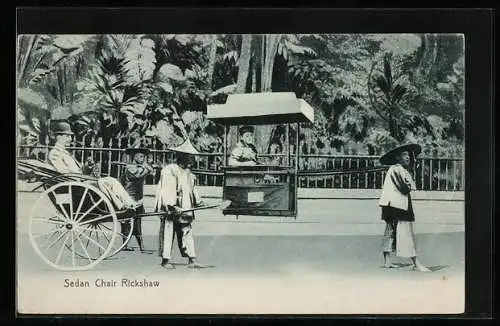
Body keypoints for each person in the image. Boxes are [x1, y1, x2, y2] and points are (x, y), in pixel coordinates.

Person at [47, 120, 140, 213]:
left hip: (79, 182)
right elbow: (65, 174)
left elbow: (79, 172)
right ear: (58, 137)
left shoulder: (66, 152)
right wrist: (81, 176)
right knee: (102, 182)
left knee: (111, 180)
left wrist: (88, 166)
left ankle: (130, 203)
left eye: (70, 136)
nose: (70, 139)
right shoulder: (55, 154)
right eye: (67, 136)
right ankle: (120, 207)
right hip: (73, 186)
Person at [154, 139, 207, 269]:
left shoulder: (190, 174)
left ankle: (192, 259)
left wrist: (199, 202)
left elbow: (192, 189)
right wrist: (172, 205)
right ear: (181, 157)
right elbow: (167, 189)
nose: (191, 160)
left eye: (192, 157)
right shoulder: (170, 170)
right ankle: (165, 260)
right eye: (189, 157)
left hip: (185, 208)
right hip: (171, 207)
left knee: (187, 230)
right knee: (168, 231)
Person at [378, 143, 431, 272]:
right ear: (398, 158)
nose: (408, 158)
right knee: (405, 233)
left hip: (397, 204)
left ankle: (387, 261)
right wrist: (408, 180)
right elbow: (404, 188)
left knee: (391, 232)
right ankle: (416, 263)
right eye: (405, 155)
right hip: (396, 206)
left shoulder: (402, 170)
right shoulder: (395, 169)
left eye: (408, 155)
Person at [119, 144, 156, 253]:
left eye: (144, 157)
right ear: (134, 157)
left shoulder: (140, 167)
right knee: (126, 222)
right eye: (140, 156)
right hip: (128, 198)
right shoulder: (130, 167)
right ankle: (125, 245)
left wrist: (147, 168)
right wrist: (147, 168)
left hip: (138, 199)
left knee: (138, 221)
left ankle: (141, 246)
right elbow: (138, 175)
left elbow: (150, 173)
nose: (143, 158)